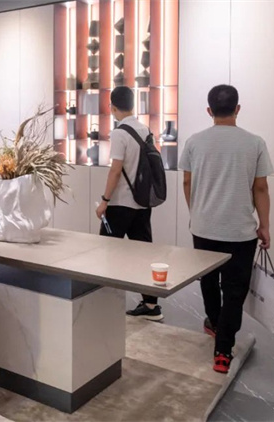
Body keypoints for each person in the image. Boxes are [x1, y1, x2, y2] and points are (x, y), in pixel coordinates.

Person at [179, 84, 272, 374]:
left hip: (203, 228)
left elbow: (187, 182)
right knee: (234, 289)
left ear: (209, 111)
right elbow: (260, 188)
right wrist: (265, 226)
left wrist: (197, 213)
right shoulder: (255, 143)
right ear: (237, 109)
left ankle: (215, 323)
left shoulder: (194, 142)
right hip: (240, 232)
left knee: (208, 280)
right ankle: (223, 350)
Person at [95, 86, 162, 321]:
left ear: (112, 107)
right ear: (133, 105)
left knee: (107, 250)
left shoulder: (119, 133)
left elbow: (115, 170)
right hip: (142, 203)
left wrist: (104, 201)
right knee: (143, 253)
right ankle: (151, 304)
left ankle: (101, 300)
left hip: (120, 203)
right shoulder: (144, 129)